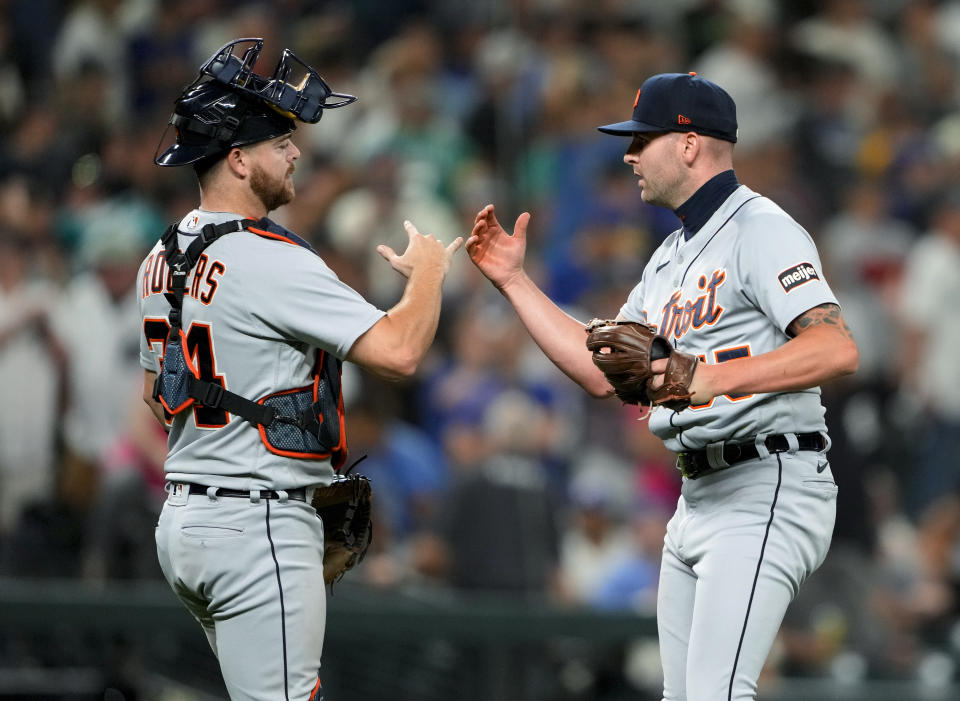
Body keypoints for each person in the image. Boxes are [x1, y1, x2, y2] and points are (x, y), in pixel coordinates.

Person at [466, 71, 859, 701]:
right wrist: (515, 282)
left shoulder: (761, 228)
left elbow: (836, 347)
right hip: (697, 495)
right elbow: (602, 371)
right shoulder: (667, 258)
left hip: (766, 484)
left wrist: (709, 378)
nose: (627, 154)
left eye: (641, 138)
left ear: (687, 144)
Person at [139, 39, 461, 701]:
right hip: (255, 522)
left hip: (185, 526)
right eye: (279, 143)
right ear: (236, 158)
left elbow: (157, 395)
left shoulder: (160, 255)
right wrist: (429, 274)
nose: (295, 155)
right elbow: (400, 352)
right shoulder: (269, 258)